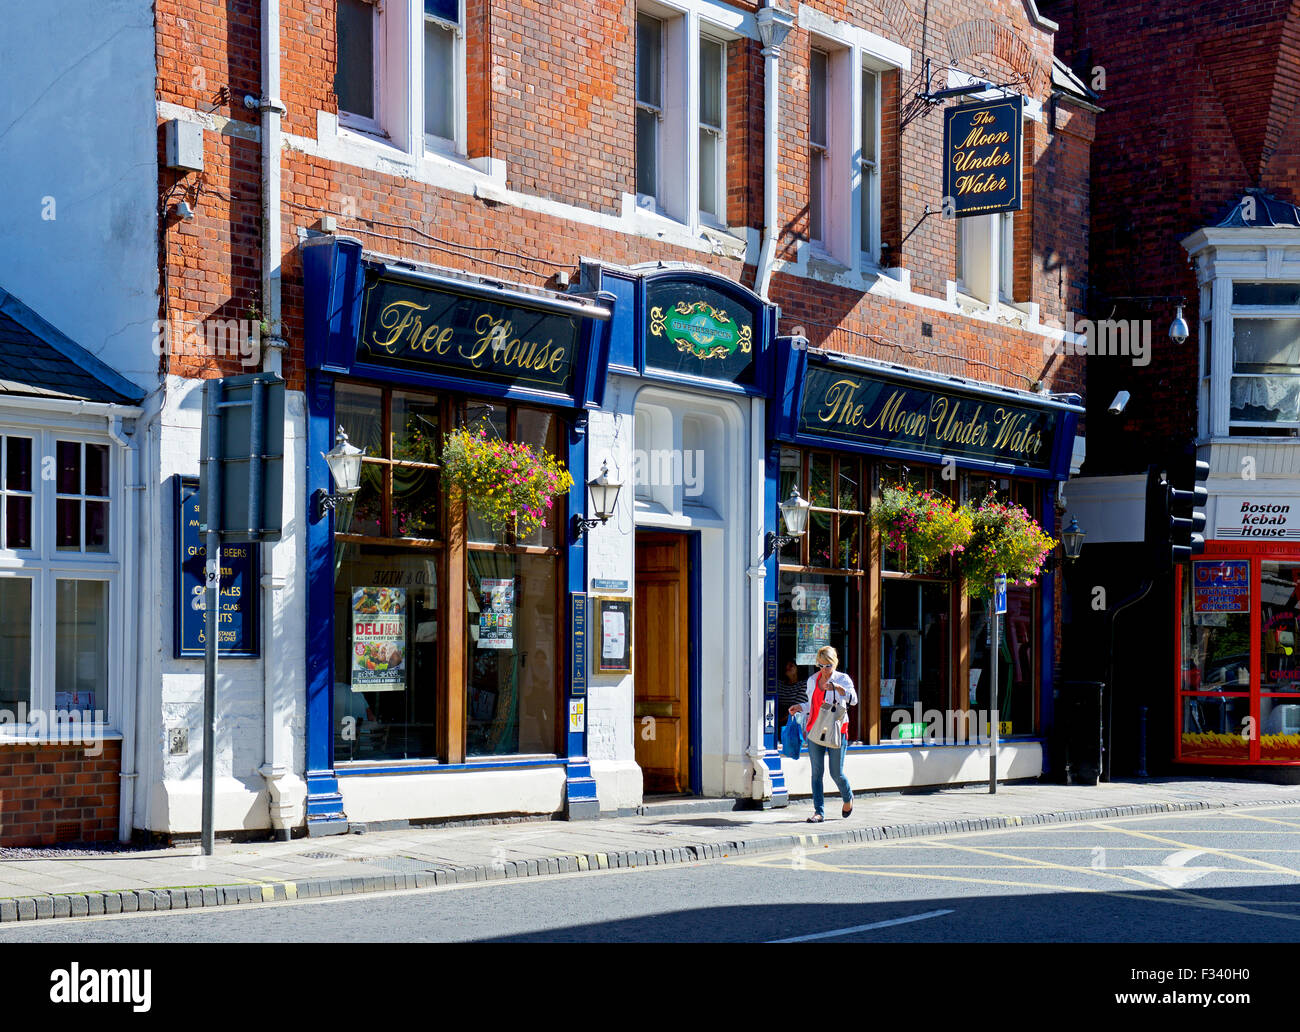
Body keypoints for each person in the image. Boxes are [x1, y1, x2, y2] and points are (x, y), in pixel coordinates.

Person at [789, 645, 856, 822]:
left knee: (836, 773)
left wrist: (841, 690)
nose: (824, 670)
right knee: (816, 773)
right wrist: (799, 708)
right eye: (820, 665)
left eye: (828, 666)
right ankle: (819, 812)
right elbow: (812, 705)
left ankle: (848, 798)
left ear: (835, 663)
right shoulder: (812, 680)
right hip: (815, 731)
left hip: (836, 730)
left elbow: (854, 700)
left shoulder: (843, 679)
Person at [778, 660, 805, 732]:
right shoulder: (778, 684)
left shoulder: (803, 685)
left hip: (792, 726)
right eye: (786, 665)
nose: (787, 667)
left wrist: (777, 721)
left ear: (798, 668)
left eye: (791, 665)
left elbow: (797, 709)